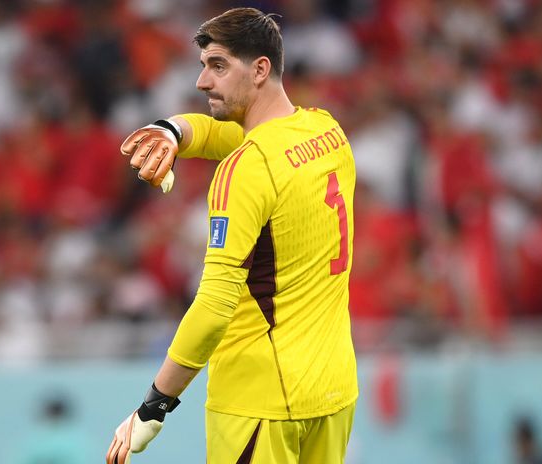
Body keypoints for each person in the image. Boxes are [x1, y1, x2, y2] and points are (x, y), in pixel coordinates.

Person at [106, 8, 358, 464]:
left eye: (218, 66)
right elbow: (225, 135)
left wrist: (154, 406)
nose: (202, 81)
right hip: (333, 394)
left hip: (259, 404)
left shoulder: (245, 169)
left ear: (260, 69)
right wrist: (172, 129)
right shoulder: (326, 130)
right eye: (204, 65)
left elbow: (214, 307)